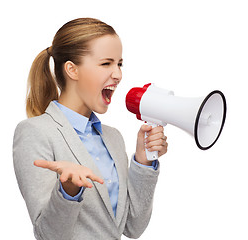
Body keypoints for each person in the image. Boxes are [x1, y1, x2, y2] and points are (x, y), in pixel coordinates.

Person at [13, 18, 168, 240]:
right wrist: (68, 191)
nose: (118, 74)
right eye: (106, 63)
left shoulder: (113, 137)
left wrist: (143, 163)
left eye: (119, 64)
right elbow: (48, 235)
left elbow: (133, 227)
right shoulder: (35, 132)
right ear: (72, 70)